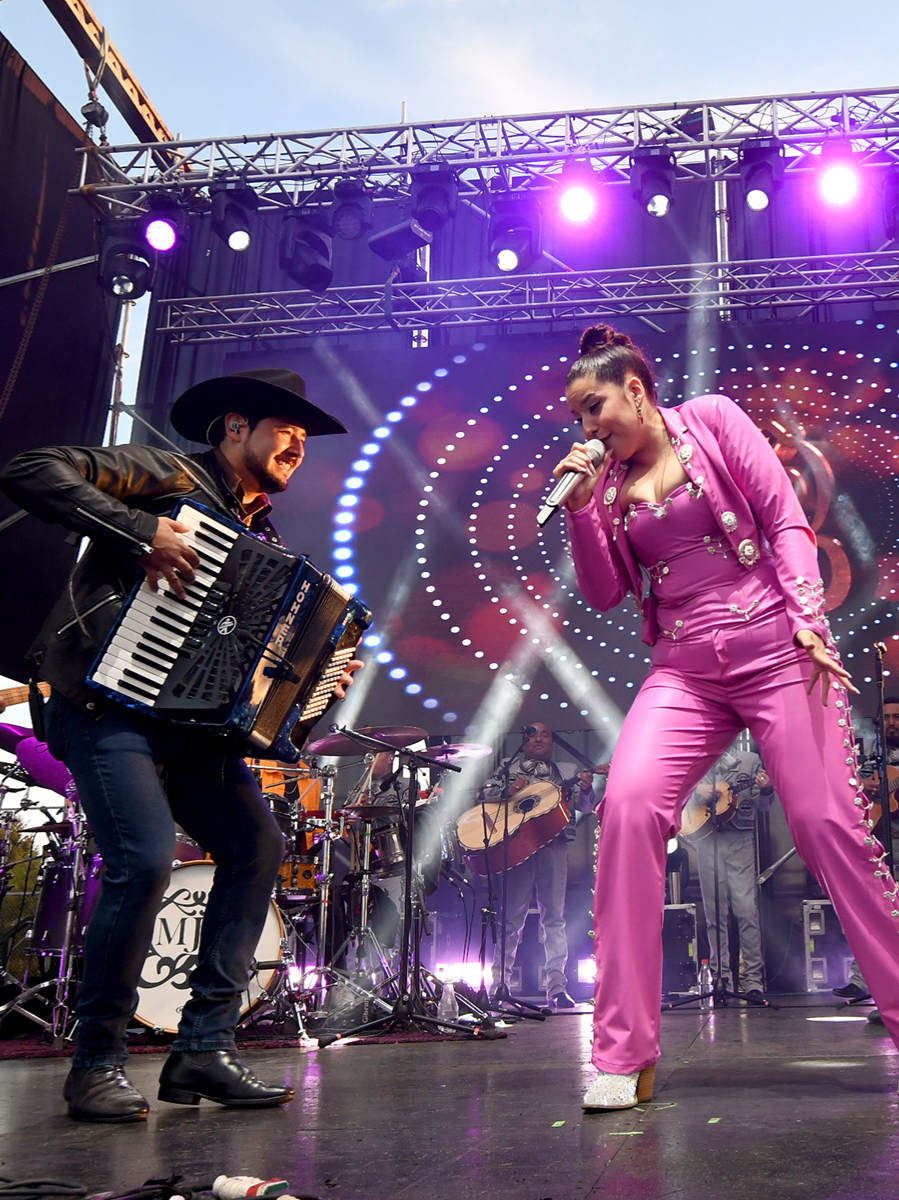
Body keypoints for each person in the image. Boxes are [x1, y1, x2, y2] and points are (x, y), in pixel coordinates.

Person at [551, 323, 899, 1113]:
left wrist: (808, 616)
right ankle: (623, 1053)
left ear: (634, 388)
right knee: (628, 806)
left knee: (825, 827)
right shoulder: (602, 483)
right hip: (684, 669)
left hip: (777, 646)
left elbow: (783, 520)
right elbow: (607, 591)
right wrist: (577, 509)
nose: (586, 428)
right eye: (575, 418)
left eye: (593, 406)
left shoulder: (710, 419)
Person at [0, 368, 362, 1122]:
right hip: (102, 700)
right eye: (283, 426)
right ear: (234, 428)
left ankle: (203, 1047)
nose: (298, 442)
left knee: (256, 844)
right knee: (142, 856)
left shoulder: (261, 537)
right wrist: (140, 530)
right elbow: (31, 469)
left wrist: (323, 676)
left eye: (304, 435)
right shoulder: (166, 474)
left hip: (189, 730)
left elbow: (263, 689)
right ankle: (95, 1061)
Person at [481, 722, 595, 1008]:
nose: (541, 739)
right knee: (510, 920)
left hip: (554, 847)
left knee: (554, 918)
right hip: (518, 847)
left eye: (547, 734)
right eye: (535, 734)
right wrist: (509, 789)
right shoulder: (508, 766)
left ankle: (557, 987)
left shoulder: (566, 770)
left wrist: (586, 788)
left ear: (553, 743)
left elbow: (587, 807)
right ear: (525, 739)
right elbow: (484, 796)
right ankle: (500, 985)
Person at [684, 738, 775, 1004]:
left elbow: (764, 805)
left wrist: (767, 789)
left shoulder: (749, 761)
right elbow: (677, 794)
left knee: (746, 910)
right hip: (706, 838)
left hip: (740, 838)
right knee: (715, 914)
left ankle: (753, 981)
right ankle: (721, 978)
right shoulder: (697, 759)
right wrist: (697, 792)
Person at [834, 694, 899, 1002]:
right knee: (871, 910)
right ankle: (863, 982)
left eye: (896, 717)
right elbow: (844, 786)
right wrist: (865, 788)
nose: (891, 723)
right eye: (886, 718)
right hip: (873, 839)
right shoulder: (864, 752)